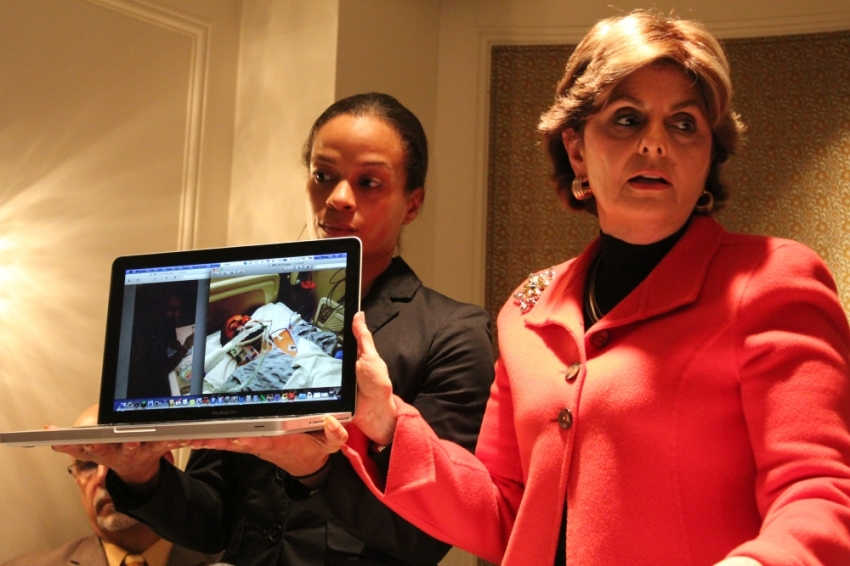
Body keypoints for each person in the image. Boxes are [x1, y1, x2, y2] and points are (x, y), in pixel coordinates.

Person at [330, 11, 850, 566]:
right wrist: (386, 421)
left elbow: (819, 492)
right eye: (627, 119)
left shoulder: (773, 280)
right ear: (576, 150)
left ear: (709, 155)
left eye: (684, 124)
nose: (655, 144)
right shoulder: (528, 309)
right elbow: (506, 511)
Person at [55, 93, 495, 565]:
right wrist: (141, 475)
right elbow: (212, 523)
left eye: (369, 182)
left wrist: (316, 474)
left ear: (412, 203)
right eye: (323, 176)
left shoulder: (452, 333)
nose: (338, 198)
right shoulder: (275, 314)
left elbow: (429, 534)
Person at [4, 405, 220, 566]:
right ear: (76, 480)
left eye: (122, 456)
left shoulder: (240, 558)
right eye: (88, 465)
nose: (102, 477)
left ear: (167, 464)